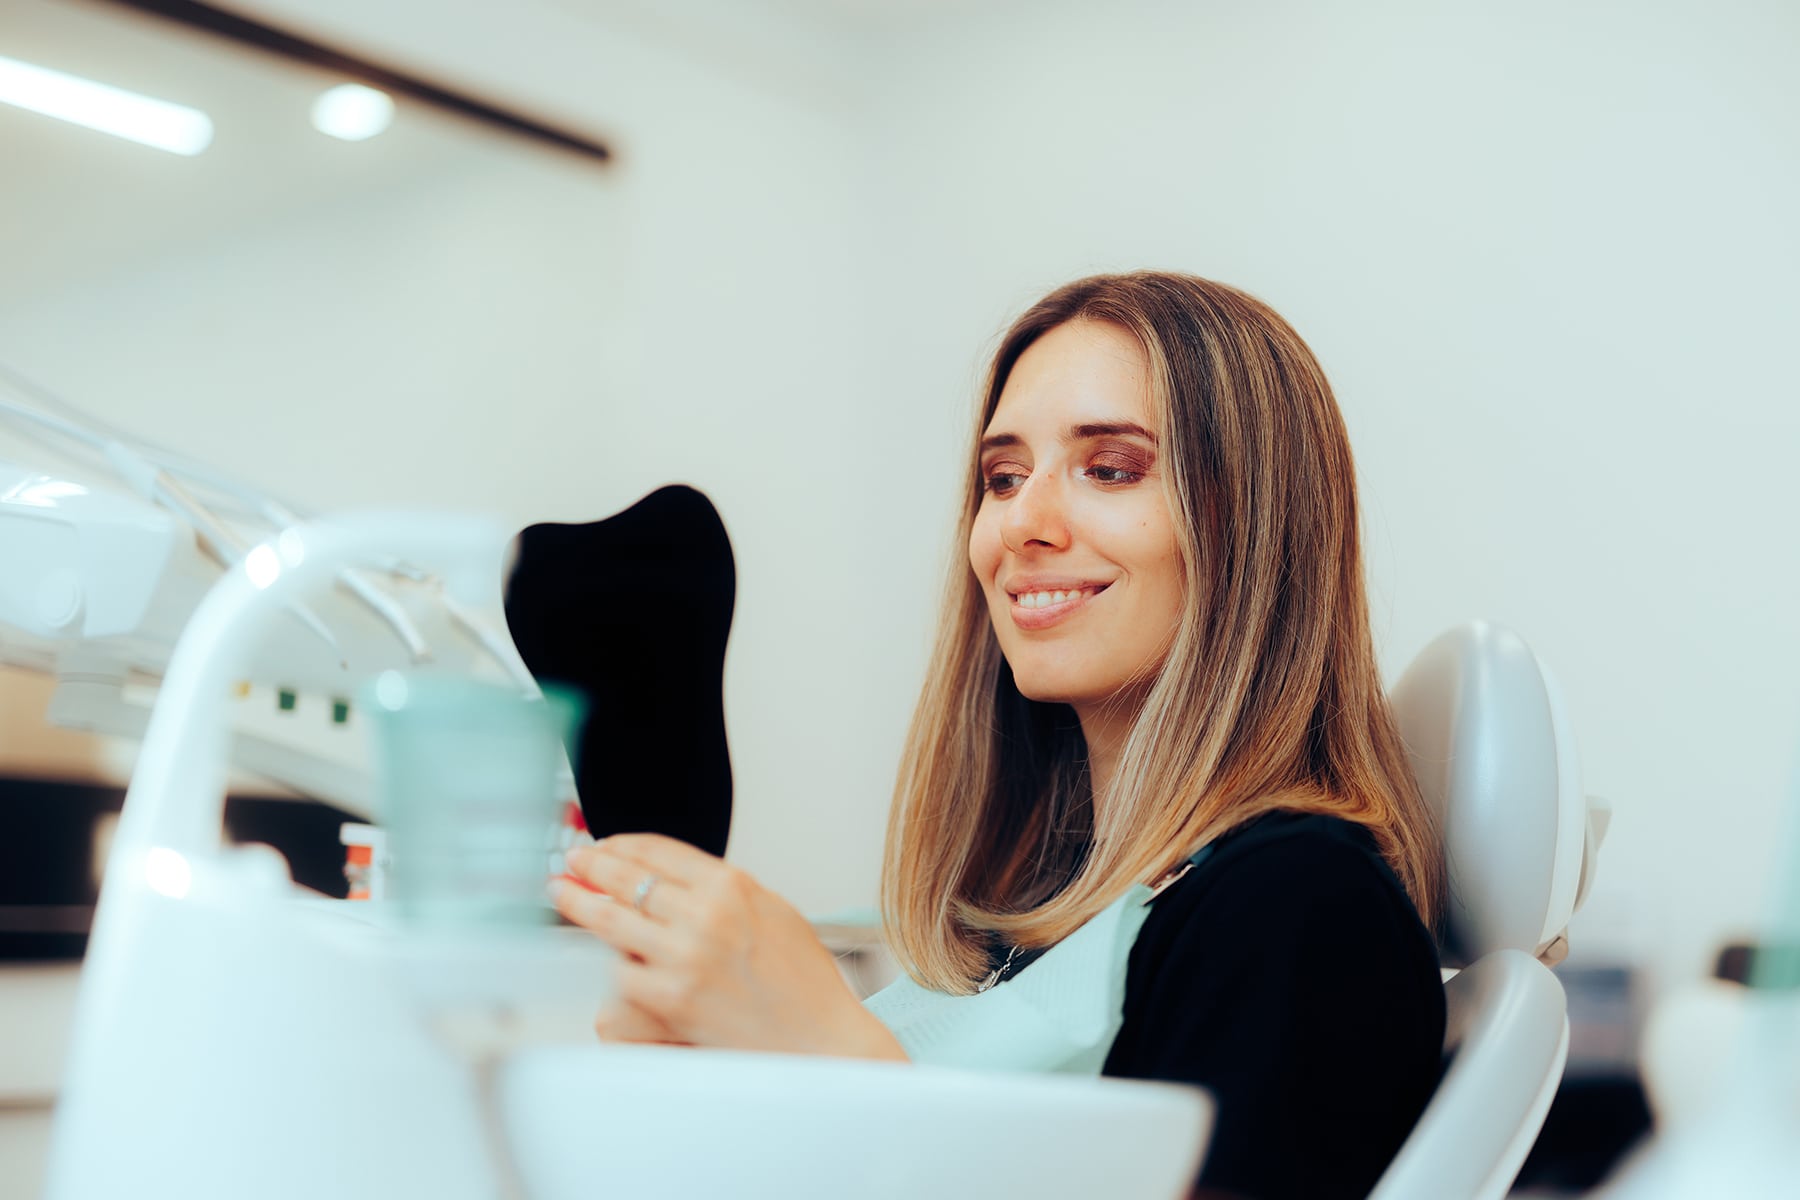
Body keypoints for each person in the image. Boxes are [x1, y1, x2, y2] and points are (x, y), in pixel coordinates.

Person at [550, 271, 1448, 1199]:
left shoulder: (1301, 906)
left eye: (1111, 468)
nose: (1021, 522)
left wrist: (832, 1055)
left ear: (1258, 526)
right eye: (1003, 478)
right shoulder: (1042, 918)